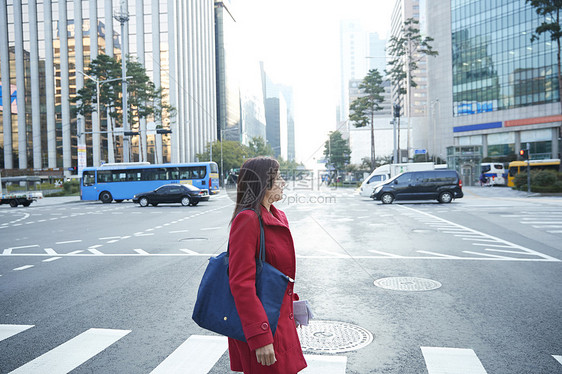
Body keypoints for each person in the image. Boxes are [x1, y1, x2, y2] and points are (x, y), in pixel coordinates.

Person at [227, 157, 307, 374]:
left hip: (279, 320)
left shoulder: (278, 215)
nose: (284, 182)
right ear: (263, 184)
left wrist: (293, 307)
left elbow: (277, 272)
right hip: (263, 327)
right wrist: (260, 337)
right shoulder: (248, 220)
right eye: (278, 178)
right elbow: (241, 284)